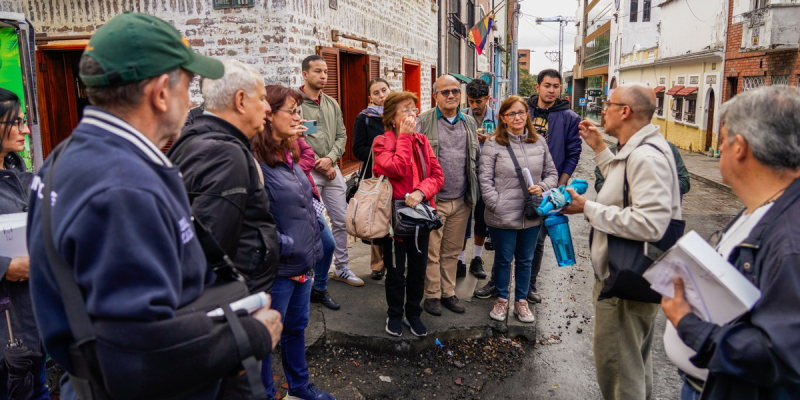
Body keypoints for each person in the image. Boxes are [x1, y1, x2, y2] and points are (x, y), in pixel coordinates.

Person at [26, 13, 281, 400]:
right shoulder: (124, 187)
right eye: (188, 86)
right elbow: (137, 357)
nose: (192, 101)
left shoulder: (65, 157)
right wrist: (250, 335)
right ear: (161, 93)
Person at [660, 86, 800, 400]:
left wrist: (688, 324)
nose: (719, 147)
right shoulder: (765, 208)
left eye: (722, 139)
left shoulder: (791, 238)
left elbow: (780, 356)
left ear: (740, 147)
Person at [563, 83, 682, 400]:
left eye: (608, 104)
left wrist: (586, 207)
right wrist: (601, 149)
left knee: (620, 376)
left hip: (624, 281)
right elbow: (624, 188)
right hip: (631, 277)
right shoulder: (641, 149)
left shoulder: (646, 157)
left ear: (625, 111)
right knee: (633, 366)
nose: (603, 110)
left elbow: (651, 223)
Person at [169, 59, 280, 296]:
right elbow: (211, 251)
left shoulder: (195, 139)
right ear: (240, 101)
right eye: (262, 98)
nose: (268, 108)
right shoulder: (224, 154)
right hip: (238, 300)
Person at [252, 85, 334, 400]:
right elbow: (252, 221)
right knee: (265, 338)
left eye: (299, 111)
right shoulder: (254, 161)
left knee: (296, 329)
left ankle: (299, 387)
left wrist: (313, 233)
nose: (299, 117)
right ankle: (267, 394)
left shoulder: (289, 153)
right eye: (292, 111)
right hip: (278, 268)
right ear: (269, 115)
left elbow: (303, 199)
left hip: (302, 262)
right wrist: (286, 246)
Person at [479, 95, 558, 323]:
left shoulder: (539, 142)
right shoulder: (493, 143)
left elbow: (552, 174)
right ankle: (502, 300)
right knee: (503, 260)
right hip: (502, 215)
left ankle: (521, 302)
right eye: (511, 113)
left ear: (527, 115)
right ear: (503, 117)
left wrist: (542, 188)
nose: (517, 117)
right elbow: (484, 179)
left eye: (521, 112)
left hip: (531, 214)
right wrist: (496, 204)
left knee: (525, 260)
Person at [373, 91, 444, 337]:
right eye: (405, 110)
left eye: (414, 109)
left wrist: (421, 192)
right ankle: (394, 314)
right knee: (395, 270)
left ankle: (413, 313)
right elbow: (398, 168)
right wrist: (404, 137)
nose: (412, 114)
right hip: (393, 218)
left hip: (420, 215)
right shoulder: (381, 142)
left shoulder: (422, 141)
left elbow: (437, 176)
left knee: (418, 269)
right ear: (392, 118)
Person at [416, 75, 480, 316]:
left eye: (455, 91)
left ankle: (448, 292)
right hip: (434, 201)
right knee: (432, 251)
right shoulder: (423, 121)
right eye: (445, 92)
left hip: (461, 200)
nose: (451, 95)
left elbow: (475, 158)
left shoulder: (469, 122)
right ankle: (432, 295)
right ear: (435, 96)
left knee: (452, 251)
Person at [517, 69, 582, 304]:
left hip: (548, 188)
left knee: (538, 239)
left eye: (556, 86)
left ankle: (529, 285)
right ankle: (497, 282)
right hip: (518, 182)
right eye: (547, 85)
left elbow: (573, 153)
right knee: (508, 237)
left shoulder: (569, 117)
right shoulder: (523, 110)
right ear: (538, 87)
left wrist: (559, 187)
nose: (551, 90)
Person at [0, 89, 49, 400]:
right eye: (16, 122)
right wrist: (5, 267)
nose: (26, 130)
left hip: (31, 327)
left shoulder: (23, 176)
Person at [298, 55, 364, 287]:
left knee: (341, 220)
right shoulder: (295, 104)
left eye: (326, 71)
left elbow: (341, 135)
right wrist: (320, 163)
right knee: (310, 224)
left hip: (332, 169)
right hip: (308, 171)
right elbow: (296, 139)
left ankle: (342, 268)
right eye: (318, 71)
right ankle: (309, 272)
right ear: (305, 74)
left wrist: (331, 159)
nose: (323, 75)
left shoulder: (331, 103)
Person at [353, 78, 392, 281]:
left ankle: (395, 263)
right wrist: (383, 151)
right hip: (375, 175)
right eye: (376, 93)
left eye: (384, 90)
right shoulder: (364, 118)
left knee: (396, 218)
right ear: (370, 97)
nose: (381, 95)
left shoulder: (399, 114)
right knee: (378, 218)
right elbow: (358, 149)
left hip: (397, 173)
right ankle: (377, 265)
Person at [297, 136, 340, 311]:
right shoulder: (265, 139)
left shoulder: (294, 135)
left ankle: (319, 289)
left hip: (307, 198)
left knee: (328, 244)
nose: (298, 122)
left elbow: (308, 156)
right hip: (284, 202)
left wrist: (292, 167)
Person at [460, 78, 496, 280]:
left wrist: (490, 140)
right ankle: (460, 259)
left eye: (479, 101)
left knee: (482, 218)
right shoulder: (461, 117)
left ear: (487, 98)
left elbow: (508, 144)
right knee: (463, 218)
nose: (474, 105)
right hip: (465, 174)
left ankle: (476, 258)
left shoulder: (498, 118)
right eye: (471, 101)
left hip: (488, 176)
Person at [595, 141, 690, 199]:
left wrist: (654, 187)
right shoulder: (612, 151)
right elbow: (600, 184)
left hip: (662, 219)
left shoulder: (667, 149)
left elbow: (684, 182)